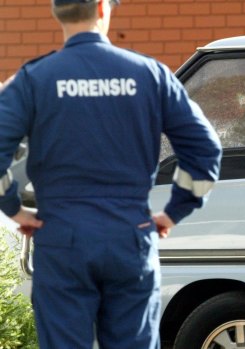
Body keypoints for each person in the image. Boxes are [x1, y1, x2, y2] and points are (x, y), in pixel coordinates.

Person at [0, 0, 222, 348]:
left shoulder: (34, 79)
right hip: (130, 235)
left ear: (56, 12)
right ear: (103, 9)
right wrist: (173, 212)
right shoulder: (149, 75)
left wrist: (13, 209)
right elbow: (205, 151)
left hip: (61, 239)